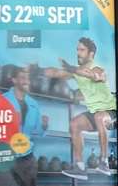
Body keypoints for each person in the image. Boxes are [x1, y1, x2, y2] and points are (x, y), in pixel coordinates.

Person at [45, 37, 113, 176]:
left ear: (91, 54)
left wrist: (72, 68)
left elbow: (96, 76)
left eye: (82, 50)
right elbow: (57, 73)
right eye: (77, 50)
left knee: (100, 117)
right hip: (94, 113)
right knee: (74, 124)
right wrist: (39, 71)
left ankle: (104, 162)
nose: (78, 53)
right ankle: (80, 167)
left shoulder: (97, 67)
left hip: (111, 112)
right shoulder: (76, 72)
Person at [0, 66, 47, 186]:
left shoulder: (33, 104)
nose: (27, 81)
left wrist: (44, 126)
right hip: (6, 154)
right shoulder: (2, 100)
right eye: (23, 78)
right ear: (14, 80)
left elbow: (37, 132)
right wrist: (10, 121)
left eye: (28, 78)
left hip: (26, 155)